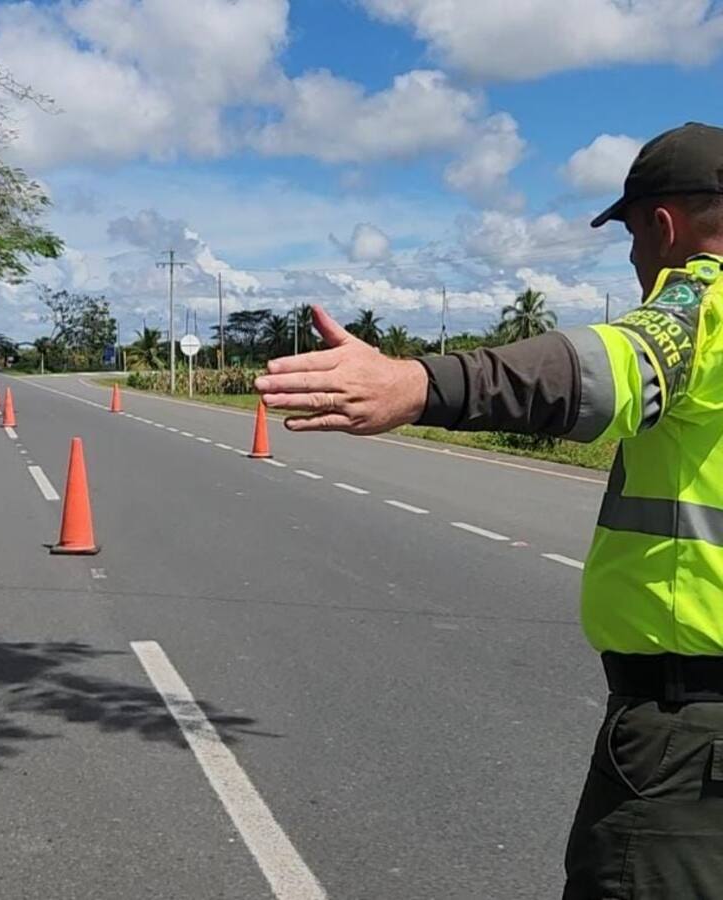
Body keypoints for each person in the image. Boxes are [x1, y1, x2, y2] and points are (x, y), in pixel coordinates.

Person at [255, 122, 723, 899]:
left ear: (661, 225)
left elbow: (602, 373)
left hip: (689, 741)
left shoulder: (701, 303)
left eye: (632, 237)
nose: (635, 259)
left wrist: (417, 384)